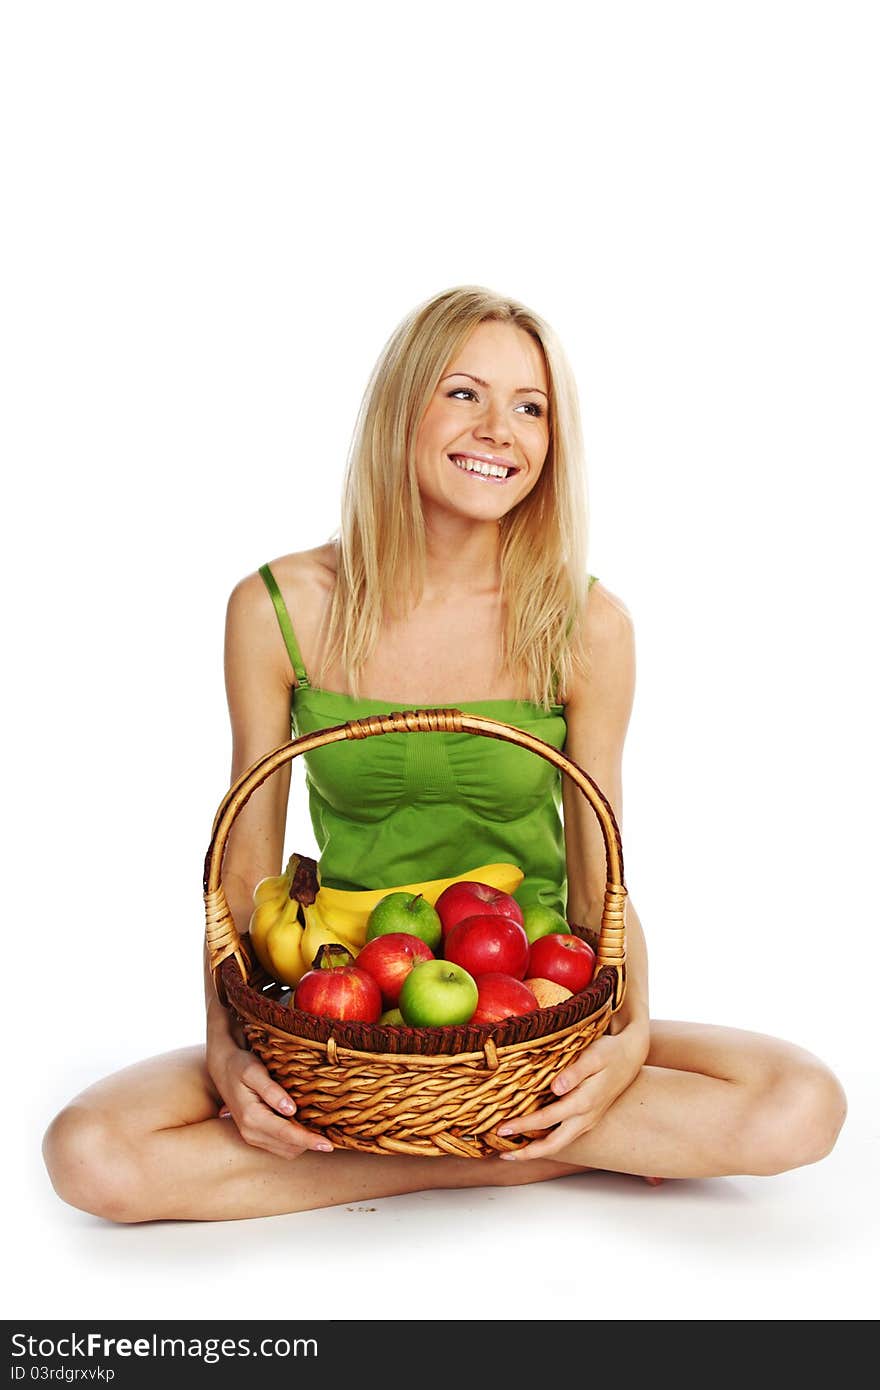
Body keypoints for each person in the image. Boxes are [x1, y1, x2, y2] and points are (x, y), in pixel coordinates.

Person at [42, 285, 847, 1223]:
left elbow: (602, 876)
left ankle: (399, 1148)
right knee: (89, 1156)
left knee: (803, 1105)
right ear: (403, 409)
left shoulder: (587, 627)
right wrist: (227, 1043)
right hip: (342, 1014)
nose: (499, 429)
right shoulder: (279, 607)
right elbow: (248, 868)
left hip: (539, 1003)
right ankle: (525, 1150)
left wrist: (625, 1039)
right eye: (465, 393)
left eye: (531, 408)